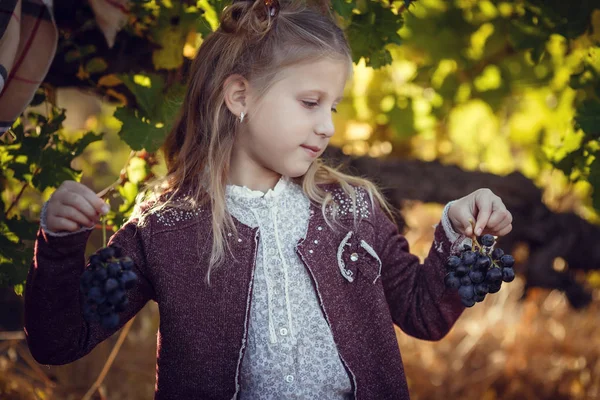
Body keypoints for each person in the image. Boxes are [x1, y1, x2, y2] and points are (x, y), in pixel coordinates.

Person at [23, 0, 513, 398]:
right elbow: (58, 340)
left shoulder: (352, 209)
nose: (328, 125)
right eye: (309, 102)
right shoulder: (166, 228)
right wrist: (62, 244)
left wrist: (456, 230)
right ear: (240, 96)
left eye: (334, 106)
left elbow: (424, 314)